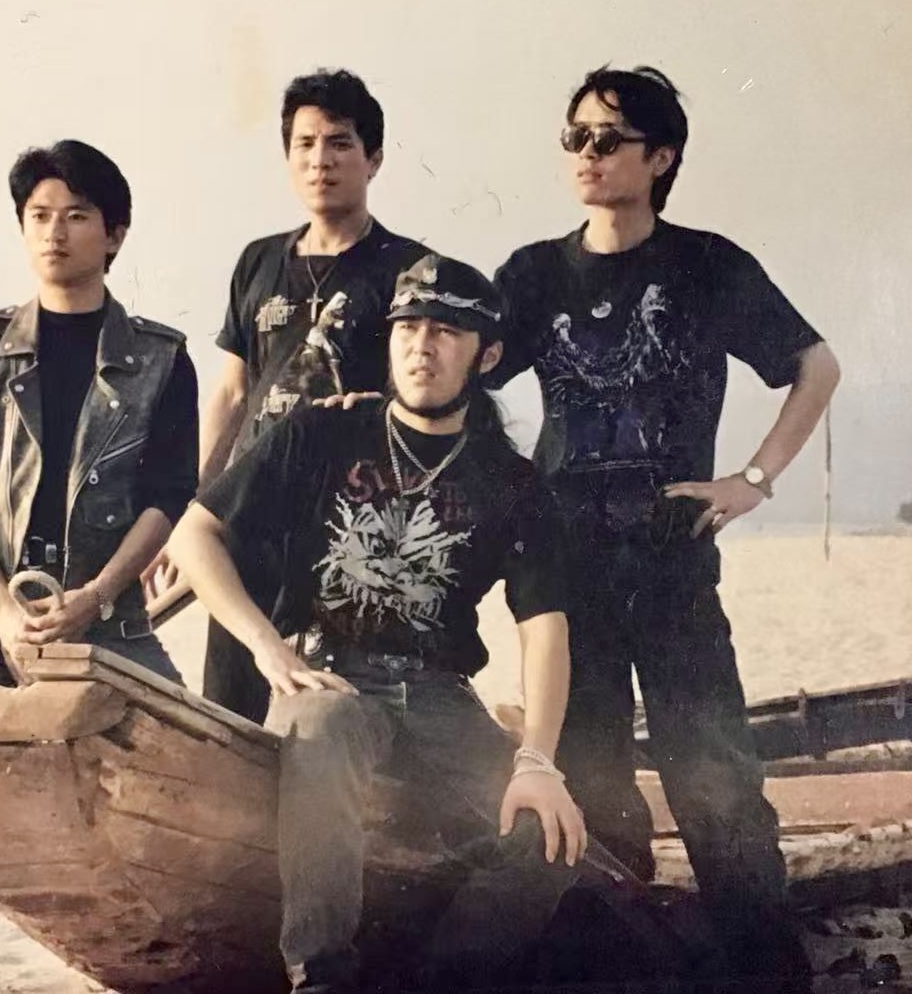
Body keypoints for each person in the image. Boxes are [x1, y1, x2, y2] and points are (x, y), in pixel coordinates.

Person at [488, 65, 841, 988]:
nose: (587, 155)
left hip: (671, 561)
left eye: (608, 139)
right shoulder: (532, 275)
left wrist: (752, 479)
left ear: (661, 158)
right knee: (591, 784)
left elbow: (816, 365)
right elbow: (456, 375)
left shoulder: (706, 265)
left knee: (715, 784)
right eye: (575, 138)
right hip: (566, 573)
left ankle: (769, 978)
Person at [168, 254, 588, 994]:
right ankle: (322, 978)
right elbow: (194, 535)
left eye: (446, 332)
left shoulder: (510, 480)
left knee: (549, 838)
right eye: (408, 328)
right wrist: (266, 647)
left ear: (487, 356)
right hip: (329, 673)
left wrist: (537, 762)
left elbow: (544, 627)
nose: (422, 347)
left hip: (439, 692)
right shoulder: (319, 434)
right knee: (320, 730)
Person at [145, 68, 429, 725]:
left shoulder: (409, 268)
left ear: (373, 158)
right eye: (304, 144)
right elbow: (232, 393)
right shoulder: (258, 261)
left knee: (330, 706)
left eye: (339, 143)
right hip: (247, 515)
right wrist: (191, 507)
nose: (320, 160)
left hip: (348, 523)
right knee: (232, 706)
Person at [0, 139, 197, 687]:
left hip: (105, 611)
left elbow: (169, 493)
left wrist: (96, 595)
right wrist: (1, 608)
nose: (54, 232)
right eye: (39, 216)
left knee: (177, 730)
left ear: (114, 235)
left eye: (76, 216)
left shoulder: (162, 361)